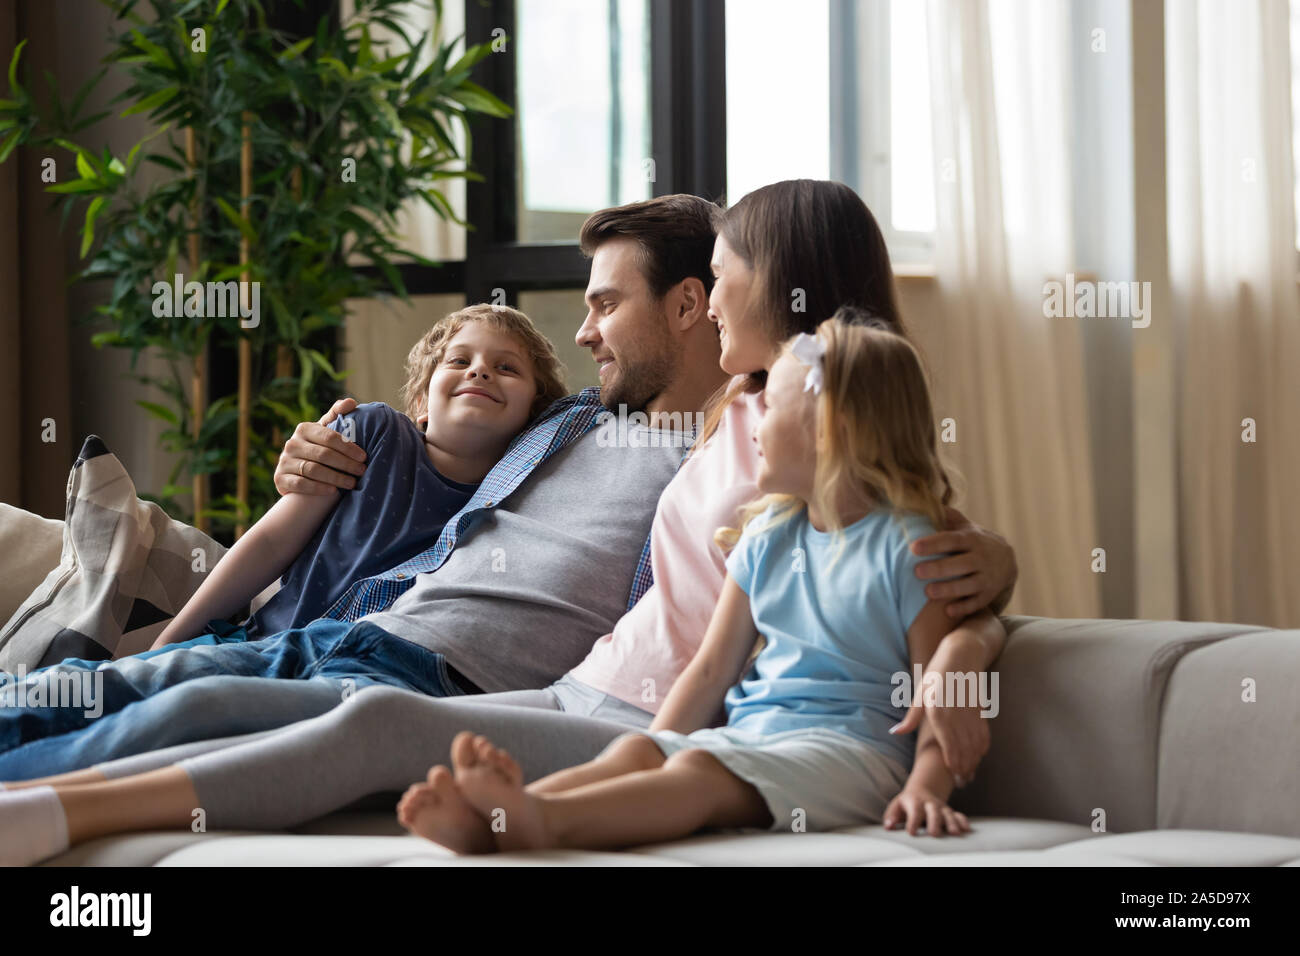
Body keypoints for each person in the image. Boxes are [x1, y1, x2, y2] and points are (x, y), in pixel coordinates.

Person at [0, 184, 1015, 863]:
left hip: (610, 714)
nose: (584, 331)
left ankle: (51, 811)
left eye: (717, 278)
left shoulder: (800, 431)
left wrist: (985, 597)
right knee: (189, 685)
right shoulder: (696, 418)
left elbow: (916, 542)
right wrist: (341, 445)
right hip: (568, 692)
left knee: (353, 718)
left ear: (730, 294)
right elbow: (451, 450)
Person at [396, 316, 973, 853]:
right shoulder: (766, 536)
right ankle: (501, 821)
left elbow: (938, 692)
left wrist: (927, 785)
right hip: (755, 737)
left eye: (772, 409)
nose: (754, 425)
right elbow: (709, 669)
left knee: (696, 775)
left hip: (853, 755)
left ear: (831, 433)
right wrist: (656, 747)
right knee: (639, 749)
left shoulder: (911, 548)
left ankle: (543, 824)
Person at [151, 304, 567, 651]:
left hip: (355, 671)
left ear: (535, 416)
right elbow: (271, 541)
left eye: (507, 368)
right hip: (260, 645)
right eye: (459, 360)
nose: (479, 371)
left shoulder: (517, 503)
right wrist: (167, 643)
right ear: (422, 402)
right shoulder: (372, 432)